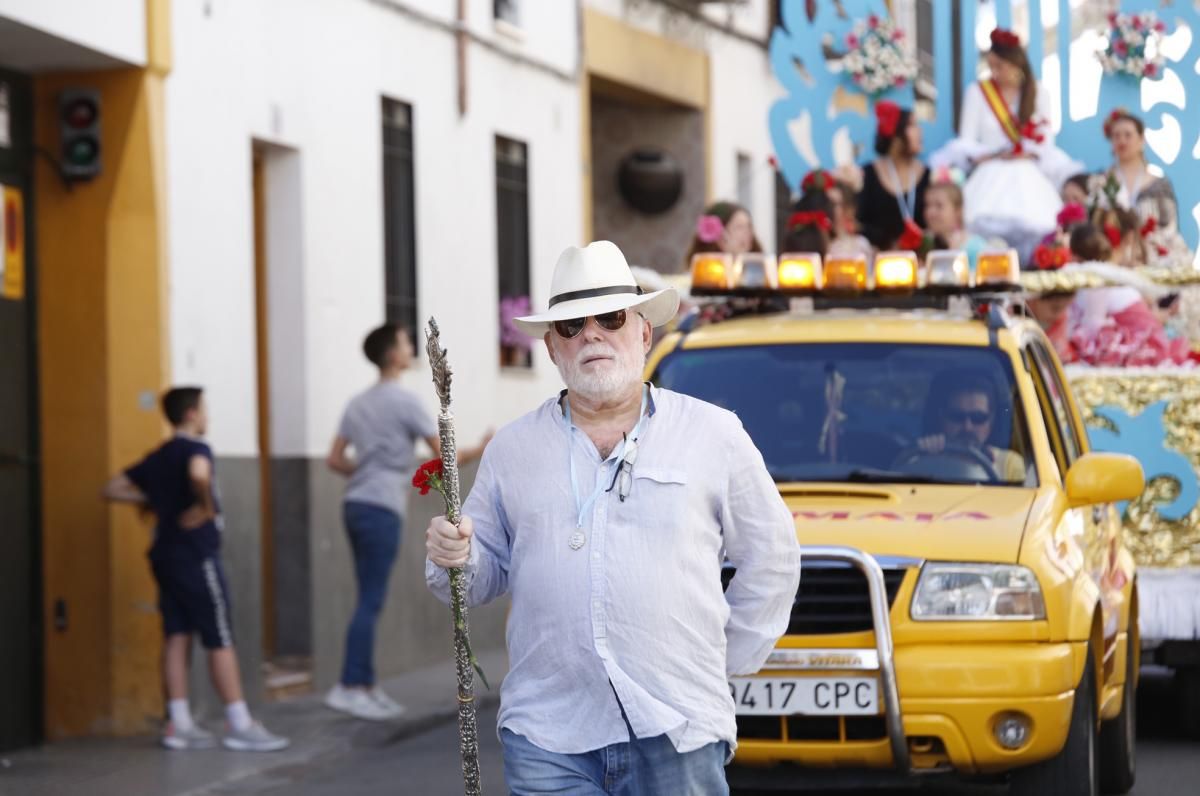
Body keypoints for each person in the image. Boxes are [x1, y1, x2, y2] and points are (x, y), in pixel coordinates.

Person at [424, 241, 801, 795]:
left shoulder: (713, 434)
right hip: (548, 730)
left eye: (610, 317)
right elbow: (479, 577)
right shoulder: (512, 449)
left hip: (679, 726)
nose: (591, 335)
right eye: (572, 325)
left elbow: (772, 557)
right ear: (553, 348)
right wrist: (455, 553)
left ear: (643, 333)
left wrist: (717, 660)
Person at [103, 387, 289, 752]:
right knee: (219, 633)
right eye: (204, 410)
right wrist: (206, 507)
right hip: (196, 555)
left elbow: (111, 488)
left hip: (165, 554)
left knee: (176, 634)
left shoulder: (158, 456)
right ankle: (239, 723)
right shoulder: (196, 450)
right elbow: (200, 475)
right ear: (190, 414)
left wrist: (154, 500)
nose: (208, 417)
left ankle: (179, 723)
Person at [324, 324, 489, 720]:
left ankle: (363, 683)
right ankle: (350, 686)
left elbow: (334, 459)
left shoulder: (357, 402)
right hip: (382, 507)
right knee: (371, 597)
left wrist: (369, 469)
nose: (411, 346)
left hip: (356, 502)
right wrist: (482, 448)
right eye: (405, 342)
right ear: (393, 355)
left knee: (368, 594)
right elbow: (444, 453)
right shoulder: (404, 402)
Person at [931, 28, 1083, 264]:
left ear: (1016, 63)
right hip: (989, 173)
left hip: (1028, 173)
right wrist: (992, 154)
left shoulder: (1038, 92)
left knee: (1038, 229)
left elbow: (1045, 141)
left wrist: (1025, 152)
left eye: (1000, 65)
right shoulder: (978, 92)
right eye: (991, 66)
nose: (995, 72)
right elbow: (966, 141)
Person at [913, 374, 1025, 482]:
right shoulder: (919, 460)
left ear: (991, 421)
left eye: (978, 418)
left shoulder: (1008, 466)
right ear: (942, 418)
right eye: (957, 417)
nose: (968, 427)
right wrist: (926, 461)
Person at [857, 100, 930, 250]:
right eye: (912, 125)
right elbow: (858, 223)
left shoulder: (928, 175)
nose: (920, 131)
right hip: (880, 261)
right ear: (896, 135)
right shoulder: (868, 175)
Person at [684, 200, 763, 270]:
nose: (748, 232)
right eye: (739, 227)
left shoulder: (761, 268)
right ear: (721, 234)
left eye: (749, 226)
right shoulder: (702, 272)